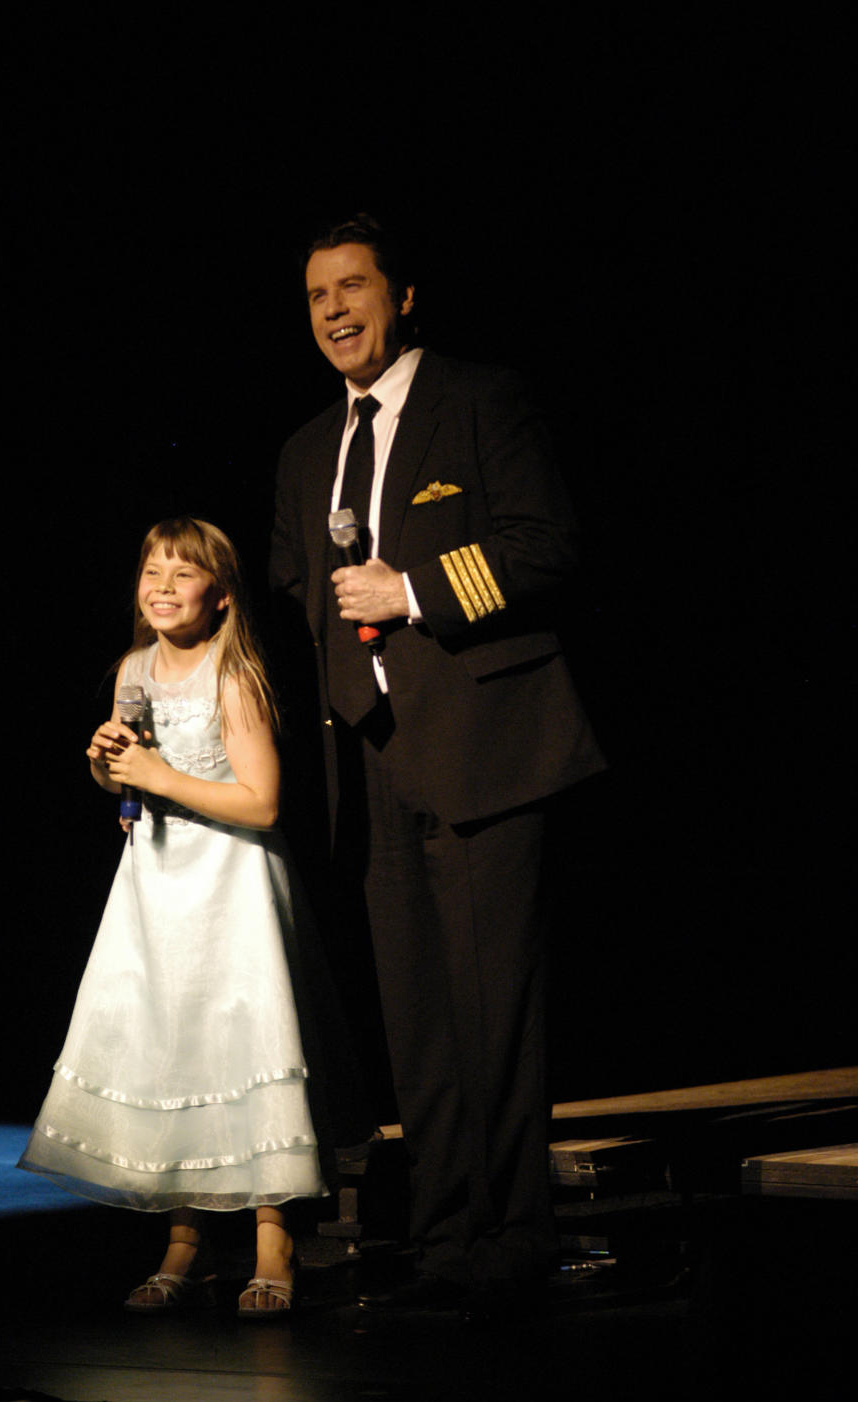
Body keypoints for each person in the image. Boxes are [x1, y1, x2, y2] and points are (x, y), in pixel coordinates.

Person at [269, 215, 606, 1315]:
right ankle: (450, 1231)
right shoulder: (307, 448)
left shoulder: (479, 398)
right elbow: (295, 599)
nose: (333, 310)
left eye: (353, 286)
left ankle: (513, 1237)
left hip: (484, 747)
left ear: (402, 296)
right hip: (366, 764)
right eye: (317, 294)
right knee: (417, 1018)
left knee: (492, 1009)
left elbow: (545, 542)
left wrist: (411, 590)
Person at [19, 517, 328, 1317]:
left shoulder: (234, 674)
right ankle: (185, 1243)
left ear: (219, 596)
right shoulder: (134, 668)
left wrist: (157, 773)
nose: (160, 588)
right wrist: (108, 765)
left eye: (180, 575)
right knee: (169, 1049)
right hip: (156, 884)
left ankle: (272, 1239)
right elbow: (130, 786)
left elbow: (261, 802)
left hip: (231, 883)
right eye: (151, 572)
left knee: (241, 1047)